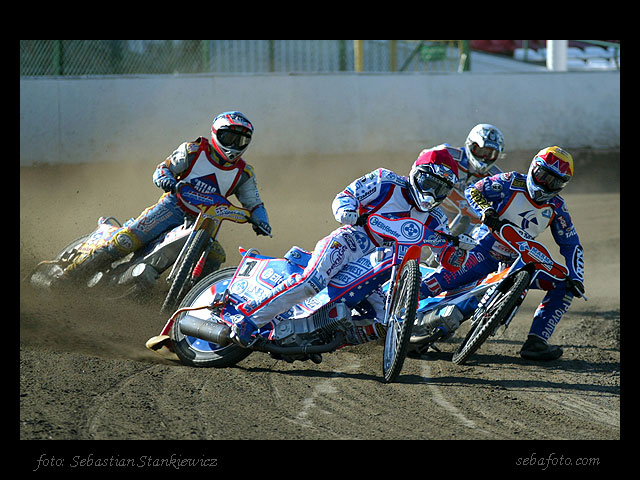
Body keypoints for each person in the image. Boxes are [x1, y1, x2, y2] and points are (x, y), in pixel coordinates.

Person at [226, 148, 472, 348]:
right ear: (417, 173)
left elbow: (446, 258)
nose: (431, 192)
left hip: (384, 267)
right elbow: (345, 197)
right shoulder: (385, 181)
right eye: (428, 182)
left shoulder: (437, 219)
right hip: (350, 242)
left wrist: (457, 255)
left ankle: (328, 335)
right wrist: (349, 212)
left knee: (385, 319)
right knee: (311, 282)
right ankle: (248, 318)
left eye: (440, 188)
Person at [61, 111, 271, 281]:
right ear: (216, 133)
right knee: (126, 240)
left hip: (207, 221)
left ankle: (190, 298)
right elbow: (163, 169)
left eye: (241, 140)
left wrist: (261, 221)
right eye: (230, 137)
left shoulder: (244, 173)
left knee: (215, 254)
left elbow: (254, 203)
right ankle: (70, 276)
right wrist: (166, 180)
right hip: (172, 207)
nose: (234, 144)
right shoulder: (194, 150)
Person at [419, 146, 585, 361]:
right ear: (534, 167)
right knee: (442, 281)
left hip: (520, 260)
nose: (545, 184)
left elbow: (571, 244)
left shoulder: (557, 207)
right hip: (483, 248)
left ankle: (536, 342)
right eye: (543, 176)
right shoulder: (511, 181)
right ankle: (397, 314)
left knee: (565, 284)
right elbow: (473, 190)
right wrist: (486, 211)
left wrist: (576, 276)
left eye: (554, 182)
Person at [427, 123, 506, 235]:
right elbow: (423, 160)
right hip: (436, 205)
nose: (484, 157)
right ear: (470, 145)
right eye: (480, 151)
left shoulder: (496, 177)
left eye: (490, 154)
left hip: (466, 219)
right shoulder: (447, 153)